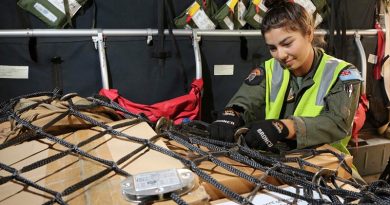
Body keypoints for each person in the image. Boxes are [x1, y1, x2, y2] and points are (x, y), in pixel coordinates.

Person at [208, 1, 362, 157]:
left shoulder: (343, 74)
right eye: (273, 48)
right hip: (278, 161)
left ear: (309, 34)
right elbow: (245, 100)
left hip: (328, 166)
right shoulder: (270, 69)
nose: (280, 55)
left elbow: (337, 124)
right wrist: (230, 115)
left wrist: (284, 127)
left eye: (287, 43)